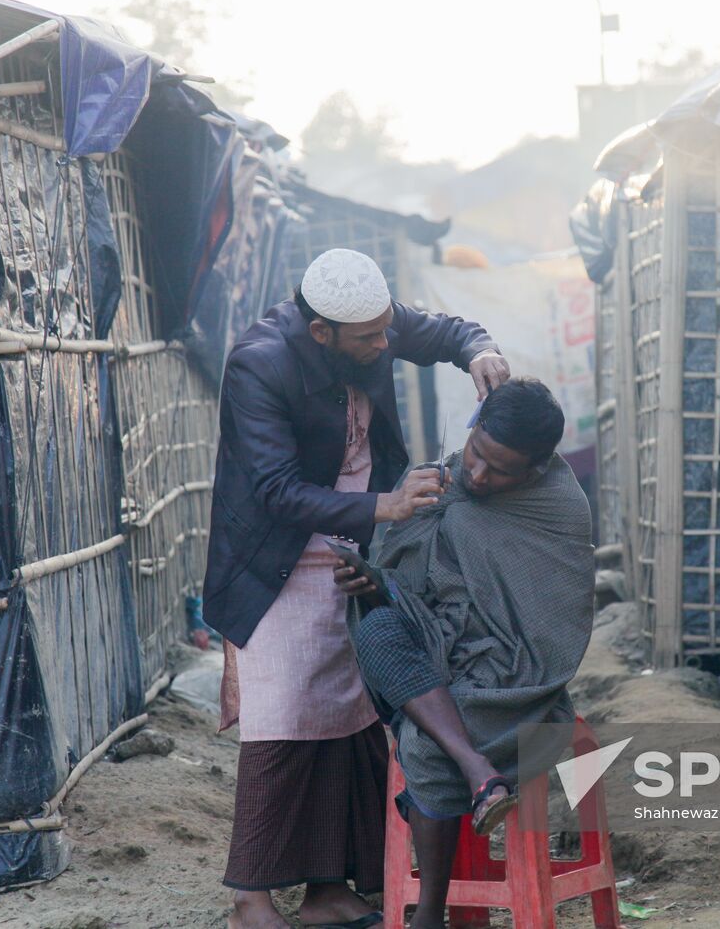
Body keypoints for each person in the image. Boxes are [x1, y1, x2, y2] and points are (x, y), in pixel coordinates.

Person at [203, 248, 511, 929]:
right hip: (276, 557)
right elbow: (275, 491)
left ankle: (326, 891)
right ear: (322, 334)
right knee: (282, 719)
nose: (385, 344)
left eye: (384, 331)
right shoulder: (259, 364)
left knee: (349, 720)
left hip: (357, 548)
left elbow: (443, 332)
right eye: (372, 340)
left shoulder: (370, 319)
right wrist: (389, 508)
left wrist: (479, 349)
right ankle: (249, 901)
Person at [335, 378, 595, 929]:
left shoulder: (555, 506)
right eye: (476, 453)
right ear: (472, 426)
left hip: (517, 677)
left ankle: (428, 914)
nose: (478, 475)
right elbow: (409, 593)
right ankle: (478, 770)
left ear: (536, 469)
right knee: (376, 629)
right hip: (439, 660)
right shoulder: (433, 485)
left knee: (427, 746)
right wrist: (374, 582)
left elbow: (548, 622)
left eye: (501, 470)